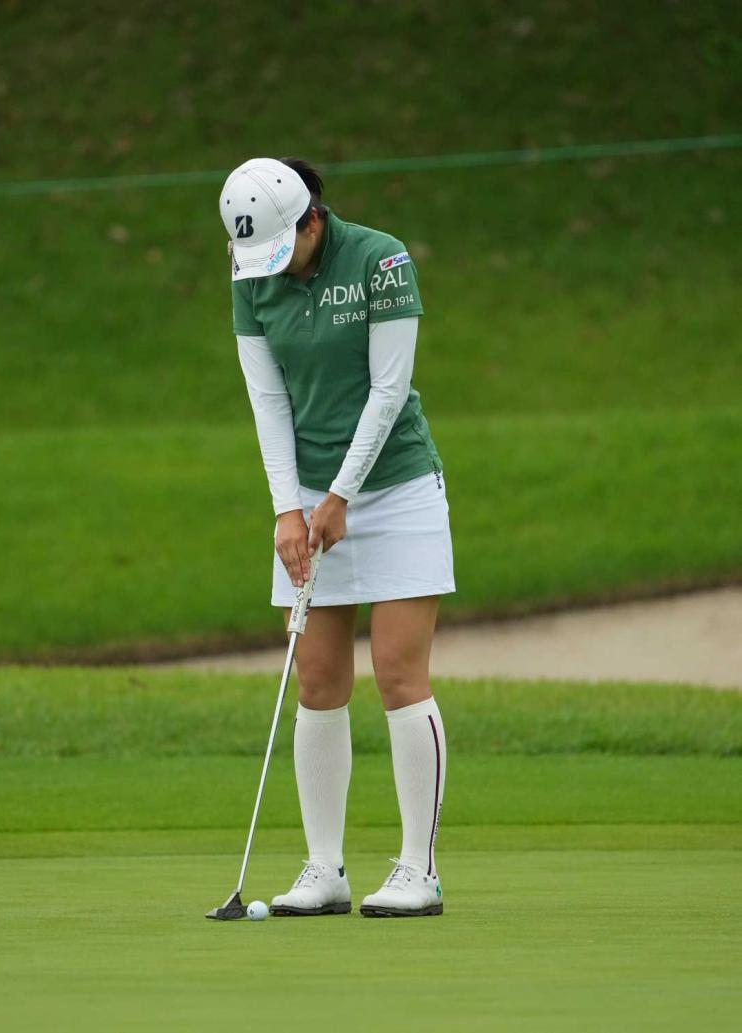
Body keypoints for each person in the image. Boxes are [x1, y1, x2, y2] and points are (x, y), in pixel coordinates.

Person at [219, 157, 455, 918]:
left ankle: (418, 870)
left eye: (282, 249)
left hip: (398, 488)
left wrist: (341, 494)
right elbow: (267, 400)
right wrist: (287, 509)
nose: (271, 267)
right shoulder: (251, 273)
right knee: (317, 680)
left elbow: (389, 388)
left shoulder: (381, 259)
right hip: (310, 497)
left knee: (397, 673)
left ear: (312, 219)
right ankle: (324, 869)